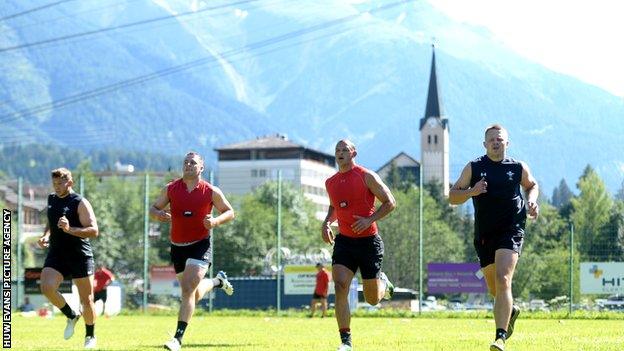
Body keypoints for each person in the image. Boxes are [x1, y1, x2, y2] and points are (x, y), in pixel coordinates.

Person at [449, 124, 539, 351]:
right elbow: (452, 197)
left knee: (503, 279)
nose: (496, 142)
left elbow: (531, 186)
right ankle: (512, 310)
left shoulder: (518, 167)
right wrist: (471, 191)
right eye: (491, 140)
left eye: (500, 139)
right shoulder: (474, 167)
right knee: (495, 288)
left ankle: (500, 337)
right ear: (485, 144)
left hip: (511, 229)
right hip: (484, 234)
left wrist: (531, 201)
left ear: (507, 143)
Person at [150, 151, 236, 351]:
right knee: (192, 294)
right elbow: (153, 208)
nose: (188, 165)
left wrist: (214, 221)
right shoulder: (171, 189)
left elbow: (230, 212)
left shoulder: (211, 191)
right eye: (185, 162)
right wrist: (158, 215)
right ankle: (217, 282)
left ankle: (177, 339)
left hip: (200, 245)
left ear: (201, 168)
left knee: (187, 290)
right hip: (177, 247)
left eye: (193, 163)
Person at [322, 139, 396, 351]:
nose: (340, 152)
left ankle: (383, 283)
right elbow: (333, 207)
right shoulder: (331, 182)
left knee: (372, 299)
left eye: (345, 149)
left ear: (353, 154)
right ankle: (346, 341)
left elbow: (390, 202)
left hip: (368, 242)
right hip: (344, 241)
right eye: (337, 150)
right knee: (340, 286)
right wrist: (327, 223)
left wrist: (369, 220)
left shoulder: (366, 176)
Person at [37, 168, 99, 349]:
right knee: (47, 287)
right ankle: (71, 315)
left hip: (79, 255)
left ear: (70, 183)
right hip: (57, 253)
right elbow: (51, 222)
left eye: (60, 184)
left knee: (87, 300)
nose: (56, 187)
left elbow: (94, 230)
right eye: (54, 184)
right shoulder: (51, 199)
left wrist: (70, 229)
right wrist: (46, 236)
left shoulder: (80, 202)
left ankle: (90, 337)